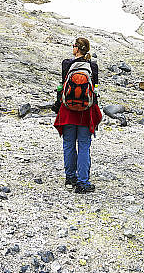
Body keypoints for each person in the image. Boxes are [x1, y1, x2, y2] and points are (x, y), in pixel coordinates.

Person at [53, 37, 102, 193]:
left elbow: (62, 86)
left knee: (68, 145)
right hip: (85, 113)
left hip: (67, 111)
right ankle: (83, 182)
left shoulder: (66, 64)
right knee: (84, 147)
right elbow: (94, 90)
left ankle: (70, 178)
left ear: (77, 49)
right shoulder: (93, 66)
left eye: (73, 45)